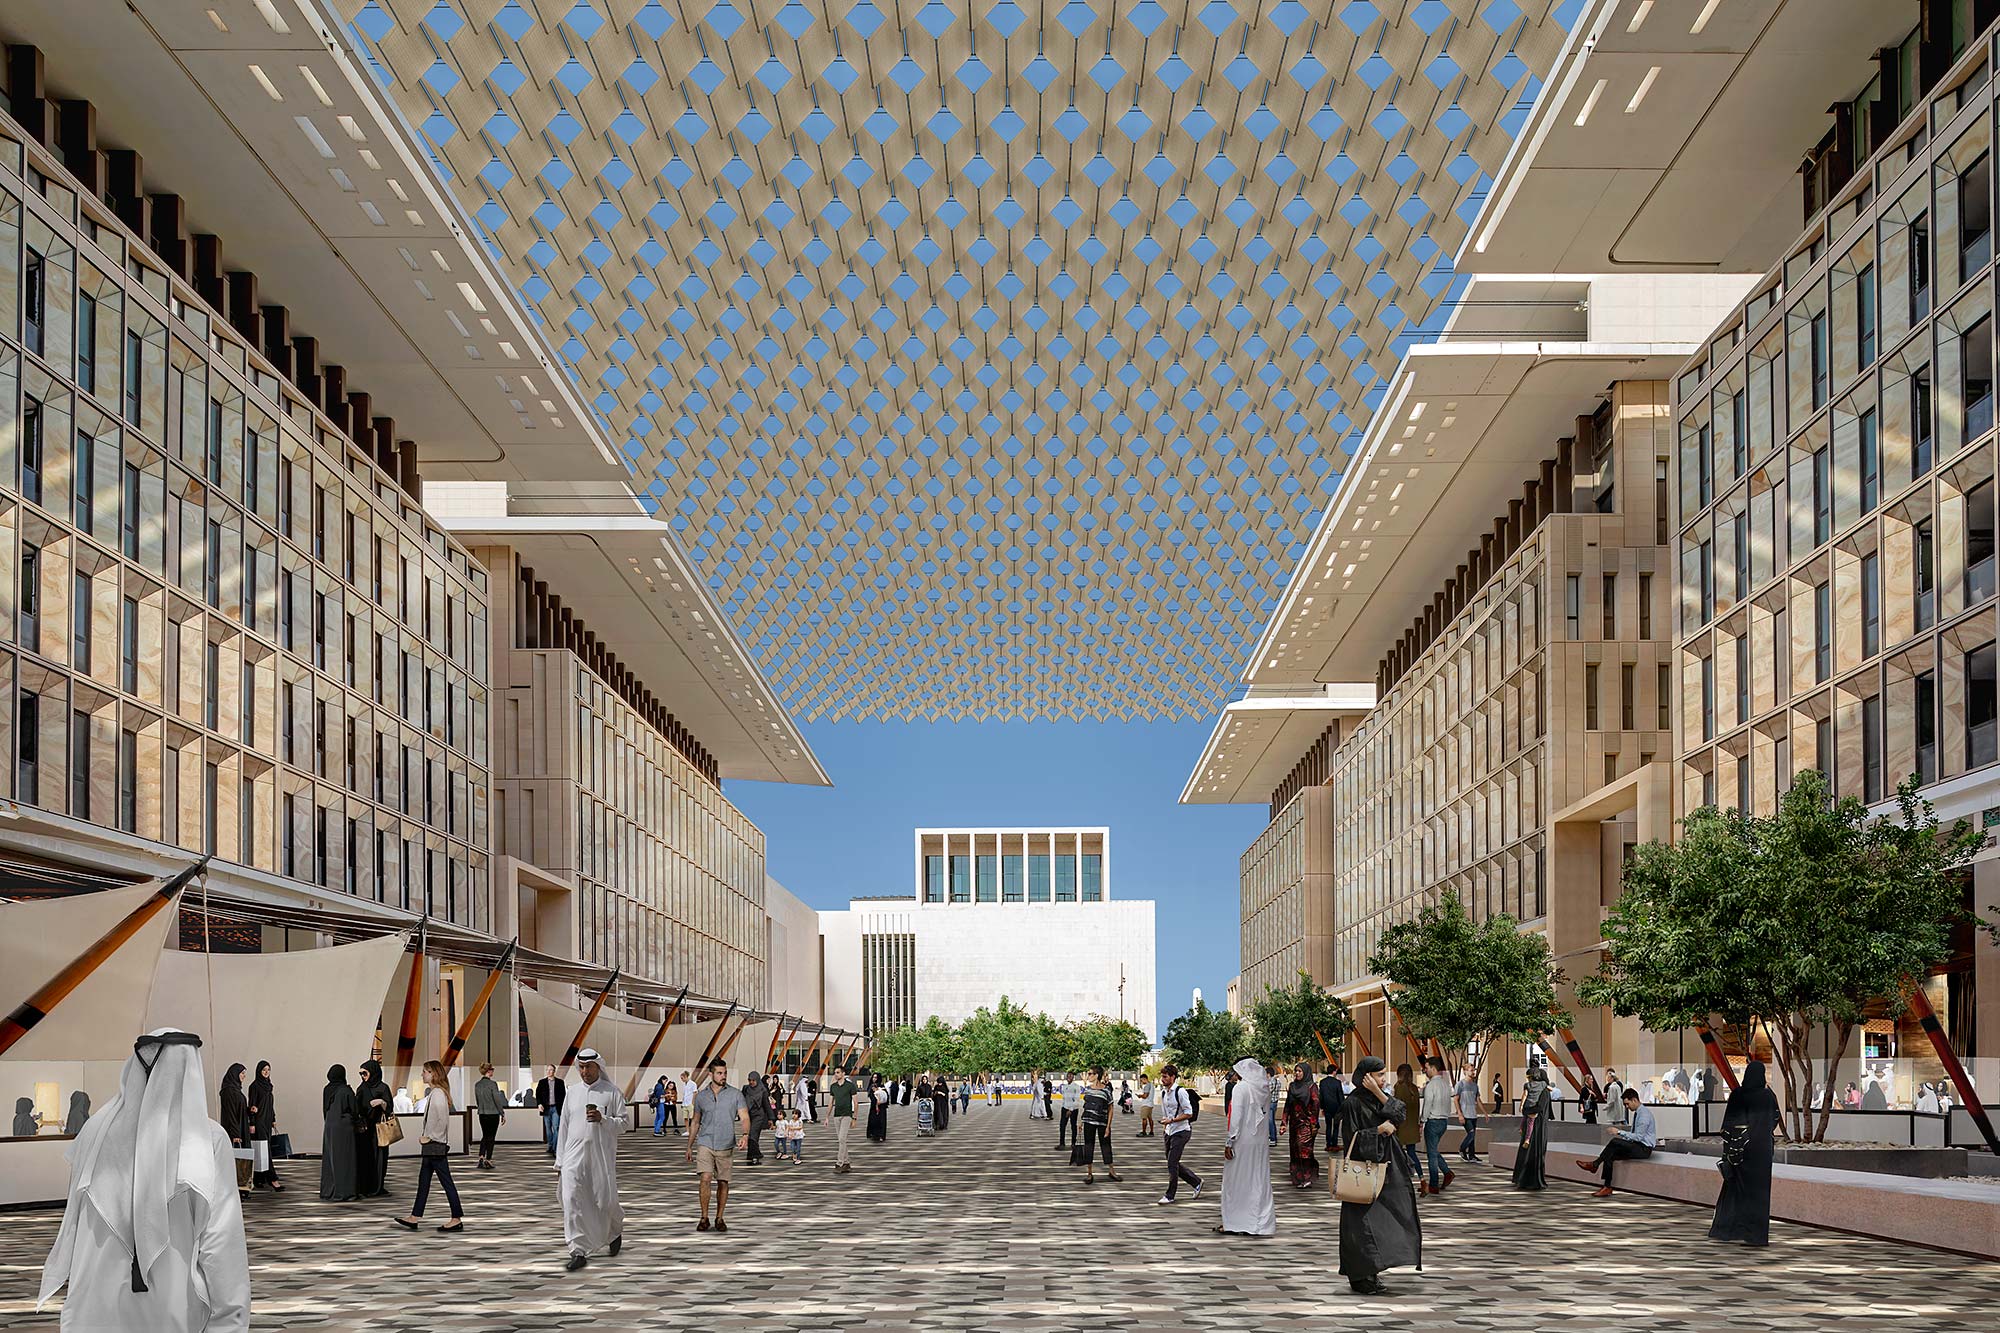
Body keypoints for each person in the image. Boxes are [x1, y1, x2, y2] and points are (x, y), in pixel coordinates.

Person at [36, 1028, 250, 1331]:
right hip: (170, 1309)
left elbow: (74, 1223)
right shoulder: (205, 1138)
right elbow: (220, 1241)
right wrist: (232, 1321)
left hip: (93, 1309)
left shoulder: (94, 1130)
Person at [1337, 1056, 1422, 1296]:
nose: (1384, 1079)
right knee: (1361, 1223)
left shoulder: (1380, 1098)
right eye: (1379, 1075)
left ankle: (1373, 1271)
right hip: (1362, 1173)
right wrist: (1377, 1131)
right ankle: (1361, 1276)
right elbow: (1351, 1138)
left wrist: (1378, 1091)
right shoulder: (1353, 1103)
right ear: (1365, 1076)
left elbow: (1400, 1114)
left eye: (1385, 1074)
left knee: (1385, 1218)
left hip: (1386, 1169)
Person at [557, 1049, 625, 1270]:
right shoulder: (572, 1092)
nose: (584, 1071)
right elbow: (564, 1127)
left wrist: (603, 1119)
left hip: (601, 1156)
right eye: (582, 1067)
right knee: (571, 1199)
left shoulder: (611, 1092)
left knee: (605, 1201)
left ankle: (614, 1230)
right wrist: (560, 1161)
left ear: (599, 1067)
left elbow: (623, 1124)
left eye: (589, 1067)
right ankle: (577, 1250)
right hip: (572, 1156)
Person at [1709, 1059, 1779, 1247]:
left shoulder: (1738, 1095)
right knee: (1760, 1194)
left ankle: (1729, 1230)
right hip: (1762, 1153)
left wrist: (1731, 1148)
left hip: (1742, 1152)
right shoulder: (1768, 1096)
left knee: (1737, 1190)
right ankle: (1757, 1236)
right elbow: (1775, 1119)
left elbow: (1730, 1124)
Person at [391, 1060, 464, 1235]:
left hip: (434, 1145)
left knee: (445, 1181)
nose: (422, 1074)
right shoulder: (436, 1093)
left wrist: (429, 1137)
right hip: (432, 1145)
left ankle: (456, 1218)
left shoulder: (438, 1093)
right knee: (424, 1181)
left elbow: (442, 1121)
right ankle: (415, 1216)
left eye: (425, 1071)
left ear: (433, 1074)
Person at [686, 1058, 749, 1233]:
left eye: (725, 1073)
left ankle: (719, 1218)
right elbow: (696, 1122)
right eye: (720, 1073)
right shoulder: (701, 1097)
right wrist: (689, 1145)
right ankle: (704, 1217)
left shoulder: (736, 1094)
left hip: (726, 1143)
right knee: (705, 1178)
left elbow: (744, 1117)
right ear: (710, 1074)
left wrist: (745, 1135)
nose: (723, 1076)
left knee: (723, 1181)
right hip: (705, 1142)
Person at [1218, 1056, 1275, 1236]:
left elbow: (1236, 1119)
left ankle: (1236, 1222)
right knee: (1258, 1180)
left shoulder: (1240, 1088)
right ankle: (1259, 1224)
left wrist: (1229, 1141)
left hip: (1242, 1143)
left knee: (1237, 1182)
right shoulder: (1263, 1089)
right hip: (1259, 1144)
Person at [1575, 1088, 1656, 1196]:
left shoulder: (1644, 1115)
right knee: (1610, 1155)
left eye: (1627, 1104)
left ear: (1634, 1100)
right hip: (1638, 1145)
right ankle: (1607, 1187)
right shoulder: (1639, 1113)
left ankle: (1595, 1164)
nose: (1627, 1107)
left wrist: (1619, 1132)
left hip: (1644, 1149)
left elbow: (1638, 1137)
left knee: (1615, 1141)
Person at [1154, 1064, 1203, 1205]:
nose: (1162, 1079)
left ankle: (1170, 1195)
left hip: (1182, 1131)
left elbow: (1189, 1113)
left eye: (1165, 1077)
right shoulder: (1164, 1093)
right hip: (1169, 1131)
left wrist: (1172, 1120)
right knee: (1172, 1162)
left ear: (1173, 1077)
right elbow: (1166, 1113)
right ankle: (1196, 1182)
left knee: (1172, 1163)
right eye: (1161, 1076)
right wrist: (1165, 1126)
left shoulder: (1180, 1092)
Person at [1071, 1067, 1121, 1185]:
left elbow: (1110, 1108)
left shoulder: (1106, 1091)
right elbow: (1086, 1106)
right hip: (1088, 1122)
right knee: (1089, 1147)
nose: (1088, 1076)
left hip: (1102, 1123)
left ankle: (1112, 1171)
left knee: (1106, 1146)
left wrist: (1108, 1126)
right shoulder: (1087, 1090)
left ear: (1097, 1075)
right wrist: (1081, 1121)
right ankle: (1089, 1173)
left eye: (1090, 1074)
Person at [319, 1065, 360, 1201]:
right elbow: (354, 1110)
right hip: (344, 1129)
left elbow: (325, 1110)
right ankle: (345, 1192)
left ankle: (328, 1191)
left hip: (330, 1127)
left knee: (331, 1160)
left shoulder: (327, 1089)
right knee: (345, 1160)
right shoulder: (346, 1090)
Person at [354, 1060, 393, 1198]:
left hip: (379, 1129)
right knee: (365, 1157)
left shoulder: (383, 1088)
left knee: (380, 1158)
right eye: (361, 1073)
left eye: (365, 1073)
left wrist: (381, 1102)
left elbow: (389, 1109)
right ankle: (365, 1186)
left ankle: (377, 1187)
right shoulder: (361, 1088)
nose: (363, 1076)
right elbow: (357, 1108)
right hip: (365, 1130)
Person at [1512, 1061, 1552, 1190]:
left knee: (1527, 1148)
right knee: (1533, 1150)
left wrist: (1525, 1110)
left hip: (1534, 1120)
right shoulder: (1544, 1091)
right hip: (1538, 1125)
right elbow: (1540, 1108)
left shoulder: (1533, 1088)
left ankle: (1522, 1178)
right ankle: (1529, 1179)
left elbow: (1528, 1103)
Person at [1418, 1057, 1454, 1195]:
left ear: (1433, 1068)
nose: (1425, 1071)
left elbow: (1427, 1105)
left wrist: (1422, 1121)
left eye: (1426, 1068)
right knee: (1433, 1151)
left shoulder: (1431, 1086)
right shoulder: (1446, 1085)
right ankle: (1446, 1172)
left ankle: (1434, 1184)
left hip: (1433, 1121)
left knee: (1431, 1154)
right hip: (1443, 1121)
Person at [246, 1062, 282, 1192]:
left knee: (261, 1150)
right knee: (265, 1150)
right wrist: (252, 1123)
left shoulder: (269, 1086)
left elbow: (270, 1105)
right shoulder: (254, 1086)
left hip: (267, 1122)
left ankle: (258, 1178)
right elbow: (252, 1106)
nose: (266, 1072)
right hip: (259, 1122)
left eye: (268, 1070)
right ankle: (273, 1179)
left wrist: (273, 1119)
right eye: (264, 1070)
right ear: (258, 1071)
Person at [1283, 1062, 1320, 1189]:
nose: (1297, 1073)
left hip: (1307, 1125)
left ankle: (1308, 1177)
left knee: (1304, 1150)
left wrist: (1313, 1124)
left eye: (1300, 1071)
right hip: (1294, 1124)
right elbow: (1288, 1105)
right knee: (1294, 1150)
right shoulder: (1292, 1086)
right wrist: (1284, 1123)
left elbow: (1315, 1105)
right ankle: (1298, 1177)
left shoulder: (1312, 1087)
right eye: (1296, 1071)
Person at [218, 1064, 252, 1199]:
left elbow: (240, 1110)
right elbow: (231, 1114)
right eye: (242, 1073)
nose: (244, 1076)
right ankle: (235, 1190)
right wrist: (235, 1134)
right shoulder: (228, 1091)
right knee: (235, 1160)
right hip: (235, 1130)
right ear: (234, 1074)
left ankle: (243, 1187)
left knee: (242, 1159)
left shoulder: (236, 1090)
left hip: (241, 1128)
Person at [1390, 1063, 1423, 1183]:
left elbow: (1396, 1107)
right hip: (1412, 1125)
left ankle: (1401, 1177)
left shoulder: (1399, 1087)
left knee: (1397, 1152)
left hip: (1401, 1126)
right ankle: (1421, 1177)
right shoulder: (1414, 1088)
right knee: (1412, 1152)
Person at [828, 1065, 859, 1172]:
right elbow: (831, 1103)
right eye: (835, 1073)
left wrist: (854, 1118)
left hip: (847, 1115)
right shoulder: (833, 1087)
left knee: (842, 1139)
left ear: (843, 1074)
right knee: (842, 1141)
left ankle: (839, 1163)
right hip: (837, 1115)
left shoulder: (850, 1086)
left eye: (837, 1072)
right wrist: (827, 1117)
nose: (836, 1074)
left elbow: (855, 1102)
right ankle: (846, 1162)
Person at [474, 1064, 506, 1168]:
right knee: (491, 1137)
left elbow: (478, 1100)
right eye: (492, 1070)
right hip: (492, 1113)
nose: (493, 1072)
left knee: (485, 1135)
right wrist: (502, 1113)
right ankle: (488, 1159)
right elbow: (497, 1099)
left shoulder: (477, 1085)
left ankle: (481, 1156)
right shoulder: (493, 1084)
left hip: (482, 1113)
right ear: (489, 1071)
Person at [1452, 1064, 1481, 1162]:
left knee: (1473, 1135)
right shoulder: (1460, 1084)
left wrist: (1485, 1113)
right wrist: (1460, 1114)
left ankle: (1472, 1155)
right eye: (1471, 1070)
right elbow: (1455, 1099)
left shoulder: (1475, 1085)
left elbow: (1478, 1099)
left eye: (1473, 1070)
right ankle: (1462, 1149)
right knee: (1471, 1133)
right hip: (1465, 1114)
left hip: (1473, 1114)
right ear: (1465, 1072)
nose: (1473, 1072)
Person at [535, 1064, 565, 1157]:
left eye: (551, 1070)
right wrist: (539, 1104)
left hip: (556, 1108)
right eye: (547, 1070)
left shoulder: (560, 1082)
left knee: (556, 1128)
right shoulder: (542, 1082)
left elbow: (563, 1096)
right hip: (546, 1108)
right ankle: (550, 1145)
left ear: (554, 1071)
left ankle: (556, 1148)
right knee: (548, 1128)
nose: (548, 1071)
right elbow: (538, 1094)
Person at [743, 1071, 771, 1166]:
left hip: (759, 1115)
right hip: (748, 1115)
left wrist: (771, 1118)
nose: (751, 1082)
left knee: (753, 1135)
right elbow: (741, 1101)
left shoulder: (762, 1090)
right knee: (750, 1135)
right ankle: (751, 1155)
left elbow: (766, 1105)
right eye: (749, 1080)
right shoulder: (746, 1089)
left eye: (753, 1080)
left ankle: (755, 1155)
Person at [1319, 1064, 1346, 1155]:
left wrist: (1322, 1107)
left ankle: (1328, 1144)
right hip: (1337, 1108)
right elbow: (1340, 1096)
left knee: (1328, 1126)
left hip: (1327, 1107)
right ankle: (1334, 1144)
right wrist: (1342, 1108)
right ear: (1334, 1071)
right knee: (1336, 1126)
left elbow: (1321, 1096)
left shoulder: (1322, 1082)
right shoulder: (1337, 1082)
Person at [1057, 1072, 1082, 1150]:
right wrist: (1064, 1108)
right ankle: (1062, 1144)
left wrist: (1070, 1110)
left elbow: (1077, 1100)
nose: (1069, 1077)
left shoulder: (1076, 1087)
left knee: (1073, 1126)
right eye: (1068, 1076)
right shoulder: (1064, 1086)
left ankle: (1073, 1144)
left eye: (1070, 1076)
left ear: (1073, 1077)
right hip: (1064, 1108)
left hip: (1073, 1109)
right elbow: (1064, 1098)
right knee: (1062, 1126)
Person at [866, 1072, 890, 1142]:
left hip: (881, 1106)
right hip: (874, 1106)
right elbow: (870, 1095)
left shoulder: (882, 1086)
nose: (874, 1079)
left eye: (876, 1077)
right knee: (873, 1120)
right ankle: (874, 1134)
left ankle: (881, 1135)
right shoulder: (871, 1086)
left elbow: (886, 1096)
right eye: (873, 1077)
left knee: (881, 1121)